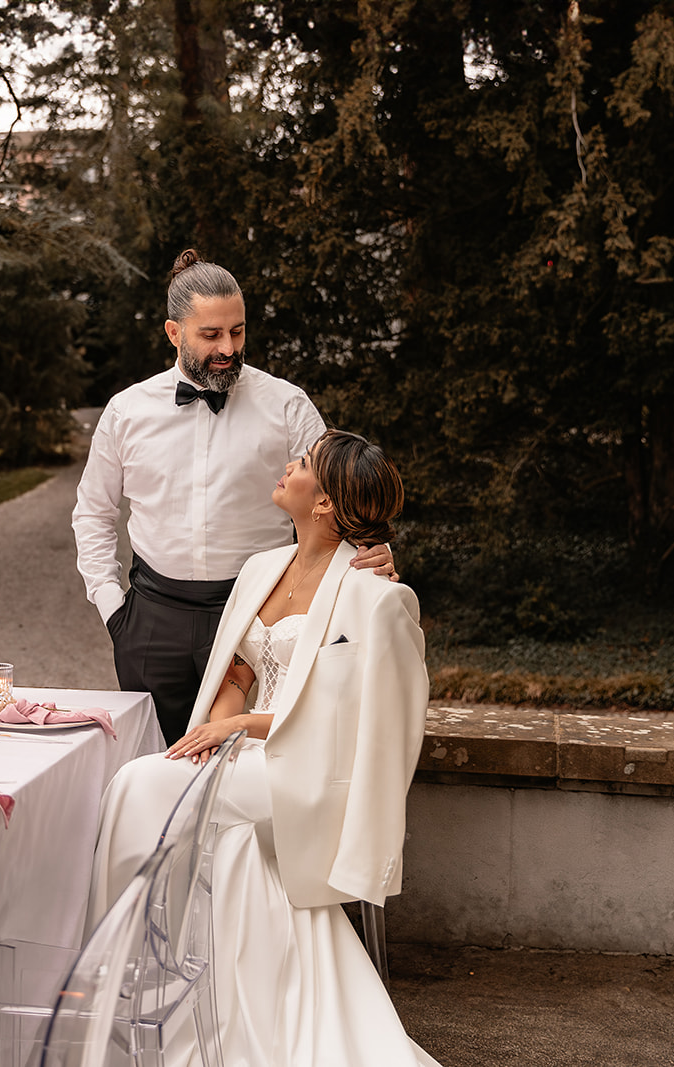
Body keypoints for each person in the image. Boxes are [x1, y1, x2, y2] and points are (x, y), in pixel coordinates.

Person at [87, 429, 437, 1067]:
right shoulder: (261, 568)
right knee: (220, 836)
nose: (286, 468)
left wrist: (238, 730)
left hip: (308, 777)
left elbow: (359, 721)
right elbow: (240, 673)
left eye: (301, 465)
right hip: (247, 760)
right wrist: (216, 735)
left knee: (139, 787)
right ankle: (179, 1002)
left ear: (326, 502)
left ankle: (118, 979)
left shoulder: (376, 597)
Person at [72, 250, 393, 744]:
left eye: (237, 332)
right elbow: (93, 513)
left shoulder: (286, 404)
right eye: (211, 334)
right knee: (154, 765)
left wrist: (373, 552)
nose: (228, 347)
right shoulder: (126, 411)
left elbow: (337, 493)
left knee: (246, 764)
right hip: (152, 620)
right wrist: (114, 611)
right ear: (174, 332)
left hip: (258, 618)